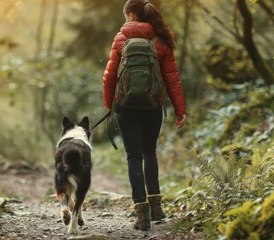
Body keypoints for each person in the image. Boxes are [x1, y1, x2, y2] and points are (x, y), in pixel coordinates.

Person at [102, 0, 186, 231]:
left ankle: (141, 214)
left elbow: (109, 76)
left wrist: (110, 104)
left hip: (125, 107)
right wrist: (180, 110)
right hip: (152, 106)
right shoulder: (161, 40)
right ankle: (157, 207)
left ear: (131, 14)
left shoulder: (121, 39)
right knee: (150, 152)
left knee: (133, 156)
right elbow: (172, 79)